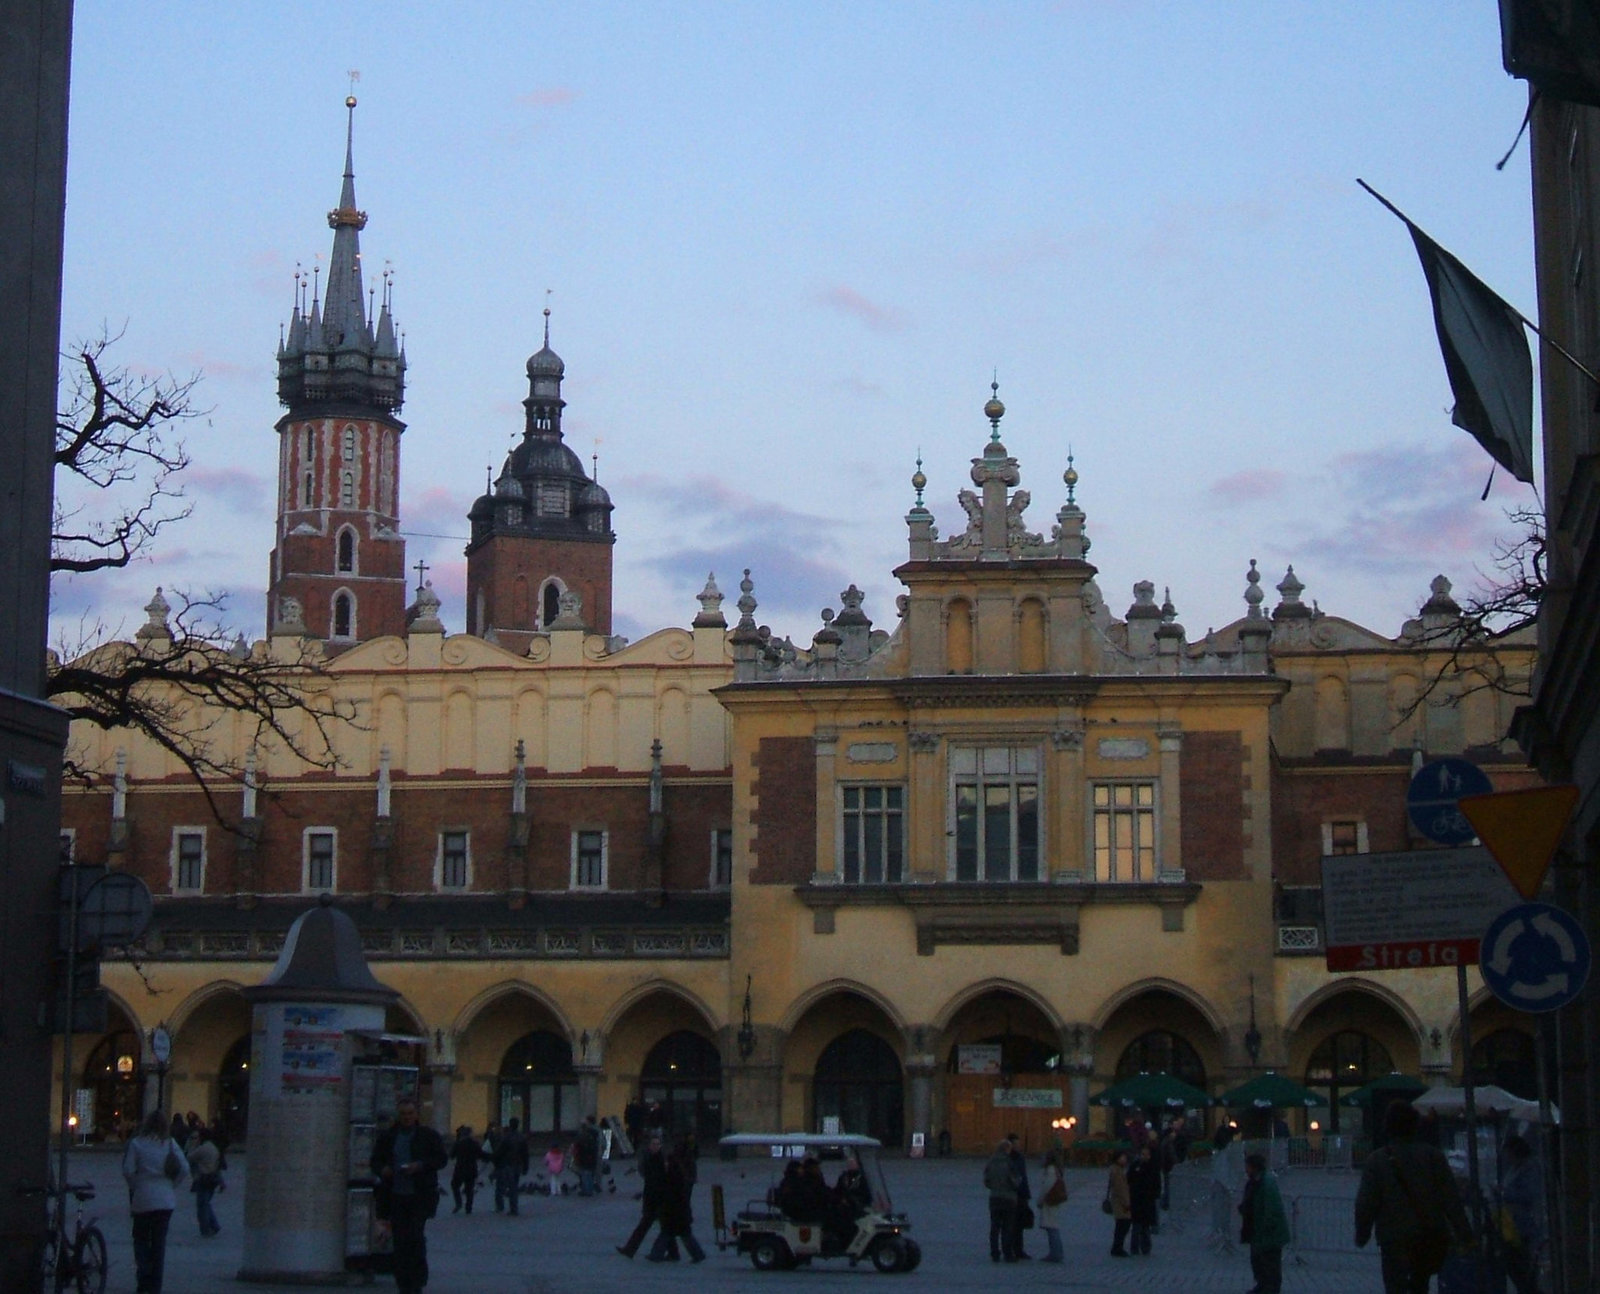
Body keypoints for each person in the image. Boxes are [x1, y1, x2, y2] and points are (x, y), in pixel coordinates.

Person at [1355, 1101, 1471, 1294]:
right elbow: (1451, 1198)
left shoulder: (1377, 1160)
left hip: (1393, 1238)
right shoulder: (1433, 1157)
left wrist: (1362, 1233)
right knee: (1421, 1283)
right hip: (1428, 1234)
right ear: (1415, 1126)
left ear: (1387, 1127)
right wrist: (1464, 1232)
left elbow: (1366, 1202)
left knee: (1395, 1285)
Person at [370, 1096, 448, 1294]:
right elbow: (375, 1161)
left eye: (410, 1113)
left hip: (419, 1196)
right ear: (398, 1115)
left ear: (417, 1114)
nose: (406, 1117)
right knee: (400, 1241)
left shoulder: (428, 1136)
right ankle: (403, 1281)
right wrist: (384, 1170)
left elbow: (441, 1159)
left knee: (415, 1237)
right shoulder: (389, 1137)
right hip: (395, 1195)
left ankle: (417, 1281)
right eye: (403, 1114)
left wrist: (419, 1166)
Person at [123, 1109, 189, 1294]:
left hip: (143, 1198)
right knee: (159, 1245)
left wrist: (135, 1185)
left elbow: (128, 1170)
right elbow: (184, 1168)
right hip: (165, 1200)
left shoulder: (137, 1144)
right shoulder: (169, 1144)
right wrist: (172, 1184)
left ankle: (143, 1275)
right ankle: (155, 1286)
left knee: (141, 1239)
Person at [1497, 1134, 1544, 1294]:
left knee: (1523, 1270)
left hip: (1524, 1226)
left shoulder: (1530, 1167)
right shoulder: (1514, 1168)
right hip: (1511, 1225)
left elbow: (1530, 1194)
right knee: (1513, 1266)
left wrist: (1505, 1193)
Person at [1240, 1151, 1290, 1294]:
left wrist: (1266, 1228)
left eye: (1247, 1166)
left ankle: (1269, 1289)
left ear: (1254, 1167)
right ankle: (1262, 1286)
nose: (1246, 1169)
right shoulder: (1256, 1181)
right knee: (1259, 1262)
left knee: (1270, 1265)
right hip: (1258, 1232)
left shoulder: (1266, 1183)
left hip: (1268, 1234)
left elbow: (1271, 1210)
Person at [647, 1140, 706, 1262]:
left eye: (667, 1162)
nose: (666, 1164)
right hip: (679, 1212)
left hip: (675, 1212)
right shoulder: (677, 1176)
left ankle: (656, 1255)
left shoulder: (672, 1177)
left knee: (669, 1233)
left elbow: (670, 1195)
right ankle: (697, 1255)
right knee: (683, 1234)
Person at [616, 1133, 668, 1259]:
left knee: (667, 1228)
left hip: (660, 1198)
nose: (655, 1146)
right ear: (649, 1146)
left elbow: (662, 1180)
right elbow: (648, 1179)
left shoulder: (663, 1160)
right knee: (649, 1226)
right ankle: (630, 1249)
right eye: (653, 1144)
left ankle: (632, 1250)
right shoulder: (649, 1158)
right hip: (651, 1198)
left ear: (661, 1146)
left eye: (657, 1144)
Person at [984, 1138, 1020, 1262]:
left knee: (994, 1227)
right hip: (1008, 1198)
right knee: (1007, 1227)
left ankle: (994, 1253)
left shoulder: (991, 1161)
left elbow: (986, 1181)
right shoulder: (1009, 1162)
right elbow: (1015, 1181)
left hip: (994, 1198)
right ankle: (1007, 1253)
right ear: (1006, 1149)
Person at [186, 1124, 224, 1238]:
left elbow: (189, 1157)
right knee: (206, 1203)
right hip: (212, 1177)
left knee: (202, 1205)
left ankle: (206, 1228)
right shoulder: (213, 1147)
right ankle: (214, 1225)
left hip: (204, 1177)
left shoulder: (203, 1148)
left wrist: (193, 1145)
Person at [1127, 1142, 1162, 1255]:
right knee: (1136, 1226)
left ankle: (1146, 1247)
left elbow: (1157, 1183)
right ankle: (1134, 1248)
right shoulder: (1135, 1166)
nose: (1144, 1156)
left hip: (1148, 1200)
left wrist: (1155, 1194)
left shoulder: (1153, 1167)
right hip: (1136, 1199)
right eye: (1142, 1154)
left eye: (1146, 1154)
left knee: (1146, 1227)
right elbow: (1129, 1179)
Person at [1036, 1142, 1068, 1263]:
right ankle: (1056, 1252)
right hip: (1054, 1199)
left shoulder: (1050, 1170)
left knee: (1051, 1227)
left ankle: (1055, 1253)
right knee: (1052, 1225)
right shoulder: (1058, 1169)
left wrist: (1040, 1200)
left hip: (1049, 1200)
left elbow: (1047, 1186)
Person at [490, 1118, 527, 1213]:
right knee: (514, 1186)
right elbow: (525, 1154)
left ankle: (502, 1206)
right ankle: (513, 1208)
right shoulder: (522, 1137)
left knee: (504, 1185)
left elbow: (499, 1152)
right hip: (518, 1164)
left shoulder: (506, 1137)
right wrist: (525, 1166)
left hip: (507, 1164)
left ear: (510, 1125)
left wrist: (495, 1162)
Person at [1006, 1131, 1034, 1259]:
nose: (1018, 1146)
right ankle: (1010, 1249)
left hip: (1021, 1195)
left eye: (1019, 1143)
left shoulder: (1020, 1158)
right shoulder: (1007, 1158)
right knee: (1010, 1224)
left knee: (1020, 1224)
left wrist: (1026, 1194)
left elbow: (1024, 1177)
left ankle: (1019, 1249)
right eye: (1016, 1143)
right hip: (1010, 1195)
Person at [449, 1125, 482, 1214]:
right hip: (472, 1168)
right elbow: (480, 1154)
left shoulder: (459, 1143)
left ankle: (459, 1202)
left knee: (455, 1186)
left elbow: (452, 1155)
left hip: (460, 1168)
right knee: (469, 1189)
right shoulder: (475, 1143)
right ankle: (468, 1208)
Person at [1159, 1114, 1189, 1210]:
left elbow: (1183, 1148)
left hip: (1174, 1162)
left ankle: (1168, 1202)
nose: (1178, 1125)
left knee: (1173, 1184)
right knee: (1168, 1184)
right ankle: (1166, 1202)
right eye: (1176, 1123)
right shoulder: (1167, 1135)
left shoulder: (1181, 1135)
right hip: (1168, 1163)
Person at [1107, 1149, 1133, 1258]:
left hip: (1119, 1201)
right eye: (1122, 1157)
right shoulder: (1116, 1171)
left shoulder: (1117, 1169)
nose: (1125, 1159)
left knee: (1121, 1225)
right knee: (1123, 1224)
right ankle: (1117, 1247)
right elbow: (1120, 1188)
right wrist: (1126, 1203)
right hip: (1120, 1203)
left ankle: (1117, 1247)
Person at [575, 1114, 601, 1196]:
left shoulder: (584, 1134)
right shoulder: (596, 1132)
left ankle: (587, 1190)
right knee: (590, 1173)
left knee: (585, 1173)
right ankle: (590, 1189)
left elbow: (579, 1144)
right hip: (593, 1155)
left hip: (584, 1156)